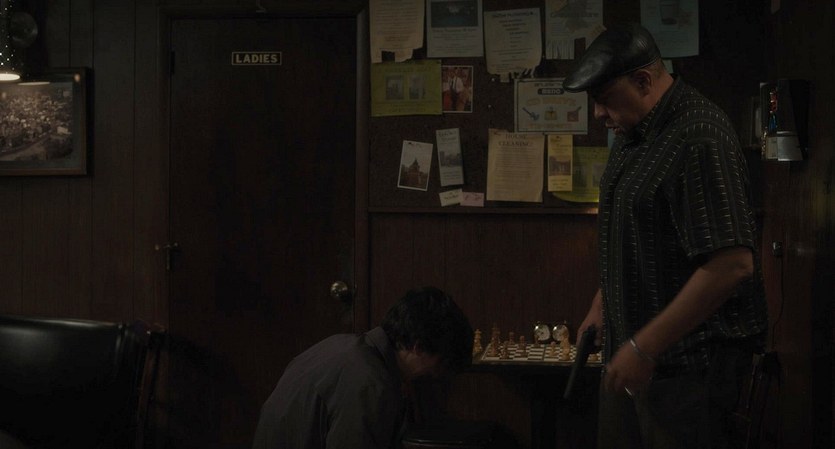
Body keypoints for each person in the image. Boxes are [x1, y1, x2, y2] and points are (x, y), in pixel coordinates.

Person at [564, 23, 768, 448]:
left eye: (605, 99)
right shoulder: (631, 131)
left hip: (687, 372)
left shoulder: (699, 134)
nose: (598, 113)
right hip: (632, 355)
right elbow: (636, 232)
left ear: (643, 81)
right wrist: (603, 303)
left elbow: (733, 264)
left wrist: (644, 348)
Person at [251, 286, 474, 449]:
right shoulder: (370, 383)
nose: (435, 374)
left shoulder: (343, 346)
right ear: (418, 347)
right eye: (439, 364)